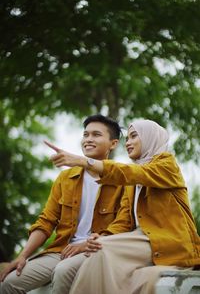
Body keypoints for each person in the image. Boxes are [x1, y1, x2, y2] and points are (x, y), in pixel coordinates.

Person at [42, 119, 200, 294]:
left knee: (102, 251)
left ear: (150, 138)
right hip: (140, 239)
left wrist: (82, 161)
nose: (128, 143)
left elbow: (131, 173)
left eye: (133, 136)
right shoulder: (133, 181)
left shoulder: (167, 165)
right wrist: (100, 237)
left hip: (169, 241)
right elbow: (124, 221)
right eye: (127, 139)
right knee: (84, 258)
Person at [0, 114, 125, 294]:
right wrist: (22, 256)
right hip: (61, 250)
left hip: (96, 251)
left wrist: (85, 245)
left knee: (62, 272)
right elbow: (46, 221)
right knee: (8, 283)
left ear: (113, 144)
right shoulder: (66, 178)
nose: (88, 140)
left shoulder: (122, 179)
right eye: (85, 135)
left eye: (96, 135)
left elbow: (123, 226)